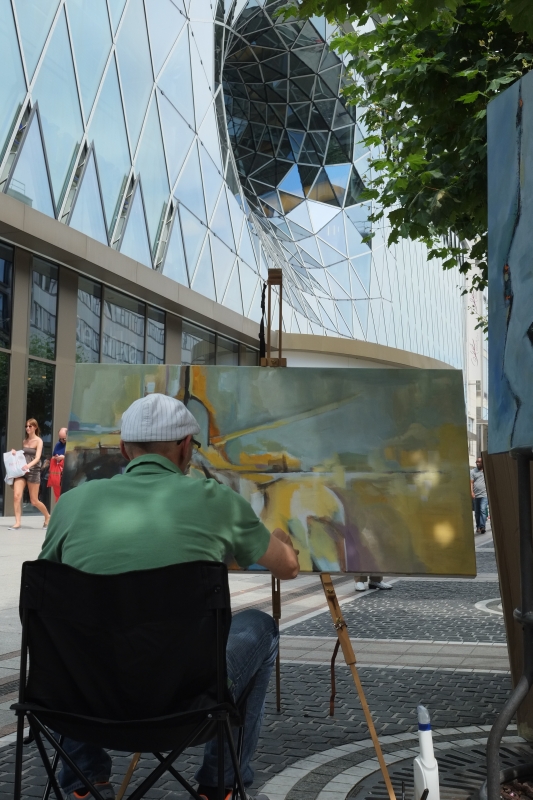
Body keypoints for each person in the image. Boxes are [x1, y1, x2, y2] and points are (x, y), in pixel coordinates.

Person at [39, 393, 300, 800]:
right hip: (187, 701)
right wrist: (281, 543)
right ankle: (219, 785)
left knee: (65, 635)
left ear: (125, 448)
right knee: (261, 626)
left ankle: (83, 784)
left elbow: (44, 602)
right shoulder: (217, 501)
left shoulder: (71, 505)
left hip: (85, 704)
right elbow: (288, 568)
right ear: (185, 447)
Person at [9, 418, 50, 530]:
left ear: (35, 427)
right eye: (26, 426)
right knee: (16, 496)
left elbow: (37, 457)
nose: (27, 428)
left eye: (30, 426)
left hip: (33, 471)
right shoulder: (25, 441)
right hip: (22, 471)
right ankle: (17, 523)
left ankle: (47, 516)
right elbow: (22, 456)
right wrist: (15, 453)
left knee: (34, 501)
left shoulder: (39, 441)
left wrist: (28, 465)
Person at [47, 427, 67, 501]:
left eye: (64, 439)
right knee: (58, 497)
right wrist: (56, 457)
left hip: (68, 473)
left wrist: (64, 457)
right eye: (60, 439)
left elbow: (77, 457)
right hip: (58, 474)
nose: (62, 441)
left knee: (67, 496)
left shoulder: (72, 444)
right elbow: (53, 456)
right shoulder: (58, 445)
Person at [470, 455, 488, 533]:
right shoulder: (473, 471)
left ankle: (482, 527)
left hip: (484, 494)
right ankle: (478, 526)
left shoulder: (486, 471)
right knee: (477, 512)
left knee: (482, 509)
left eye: (479, 462)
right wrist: (471, 492)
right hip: (476, 495)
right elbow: (471, 483)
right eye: (477, 462)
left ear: (483, 463)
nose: (477, 463)